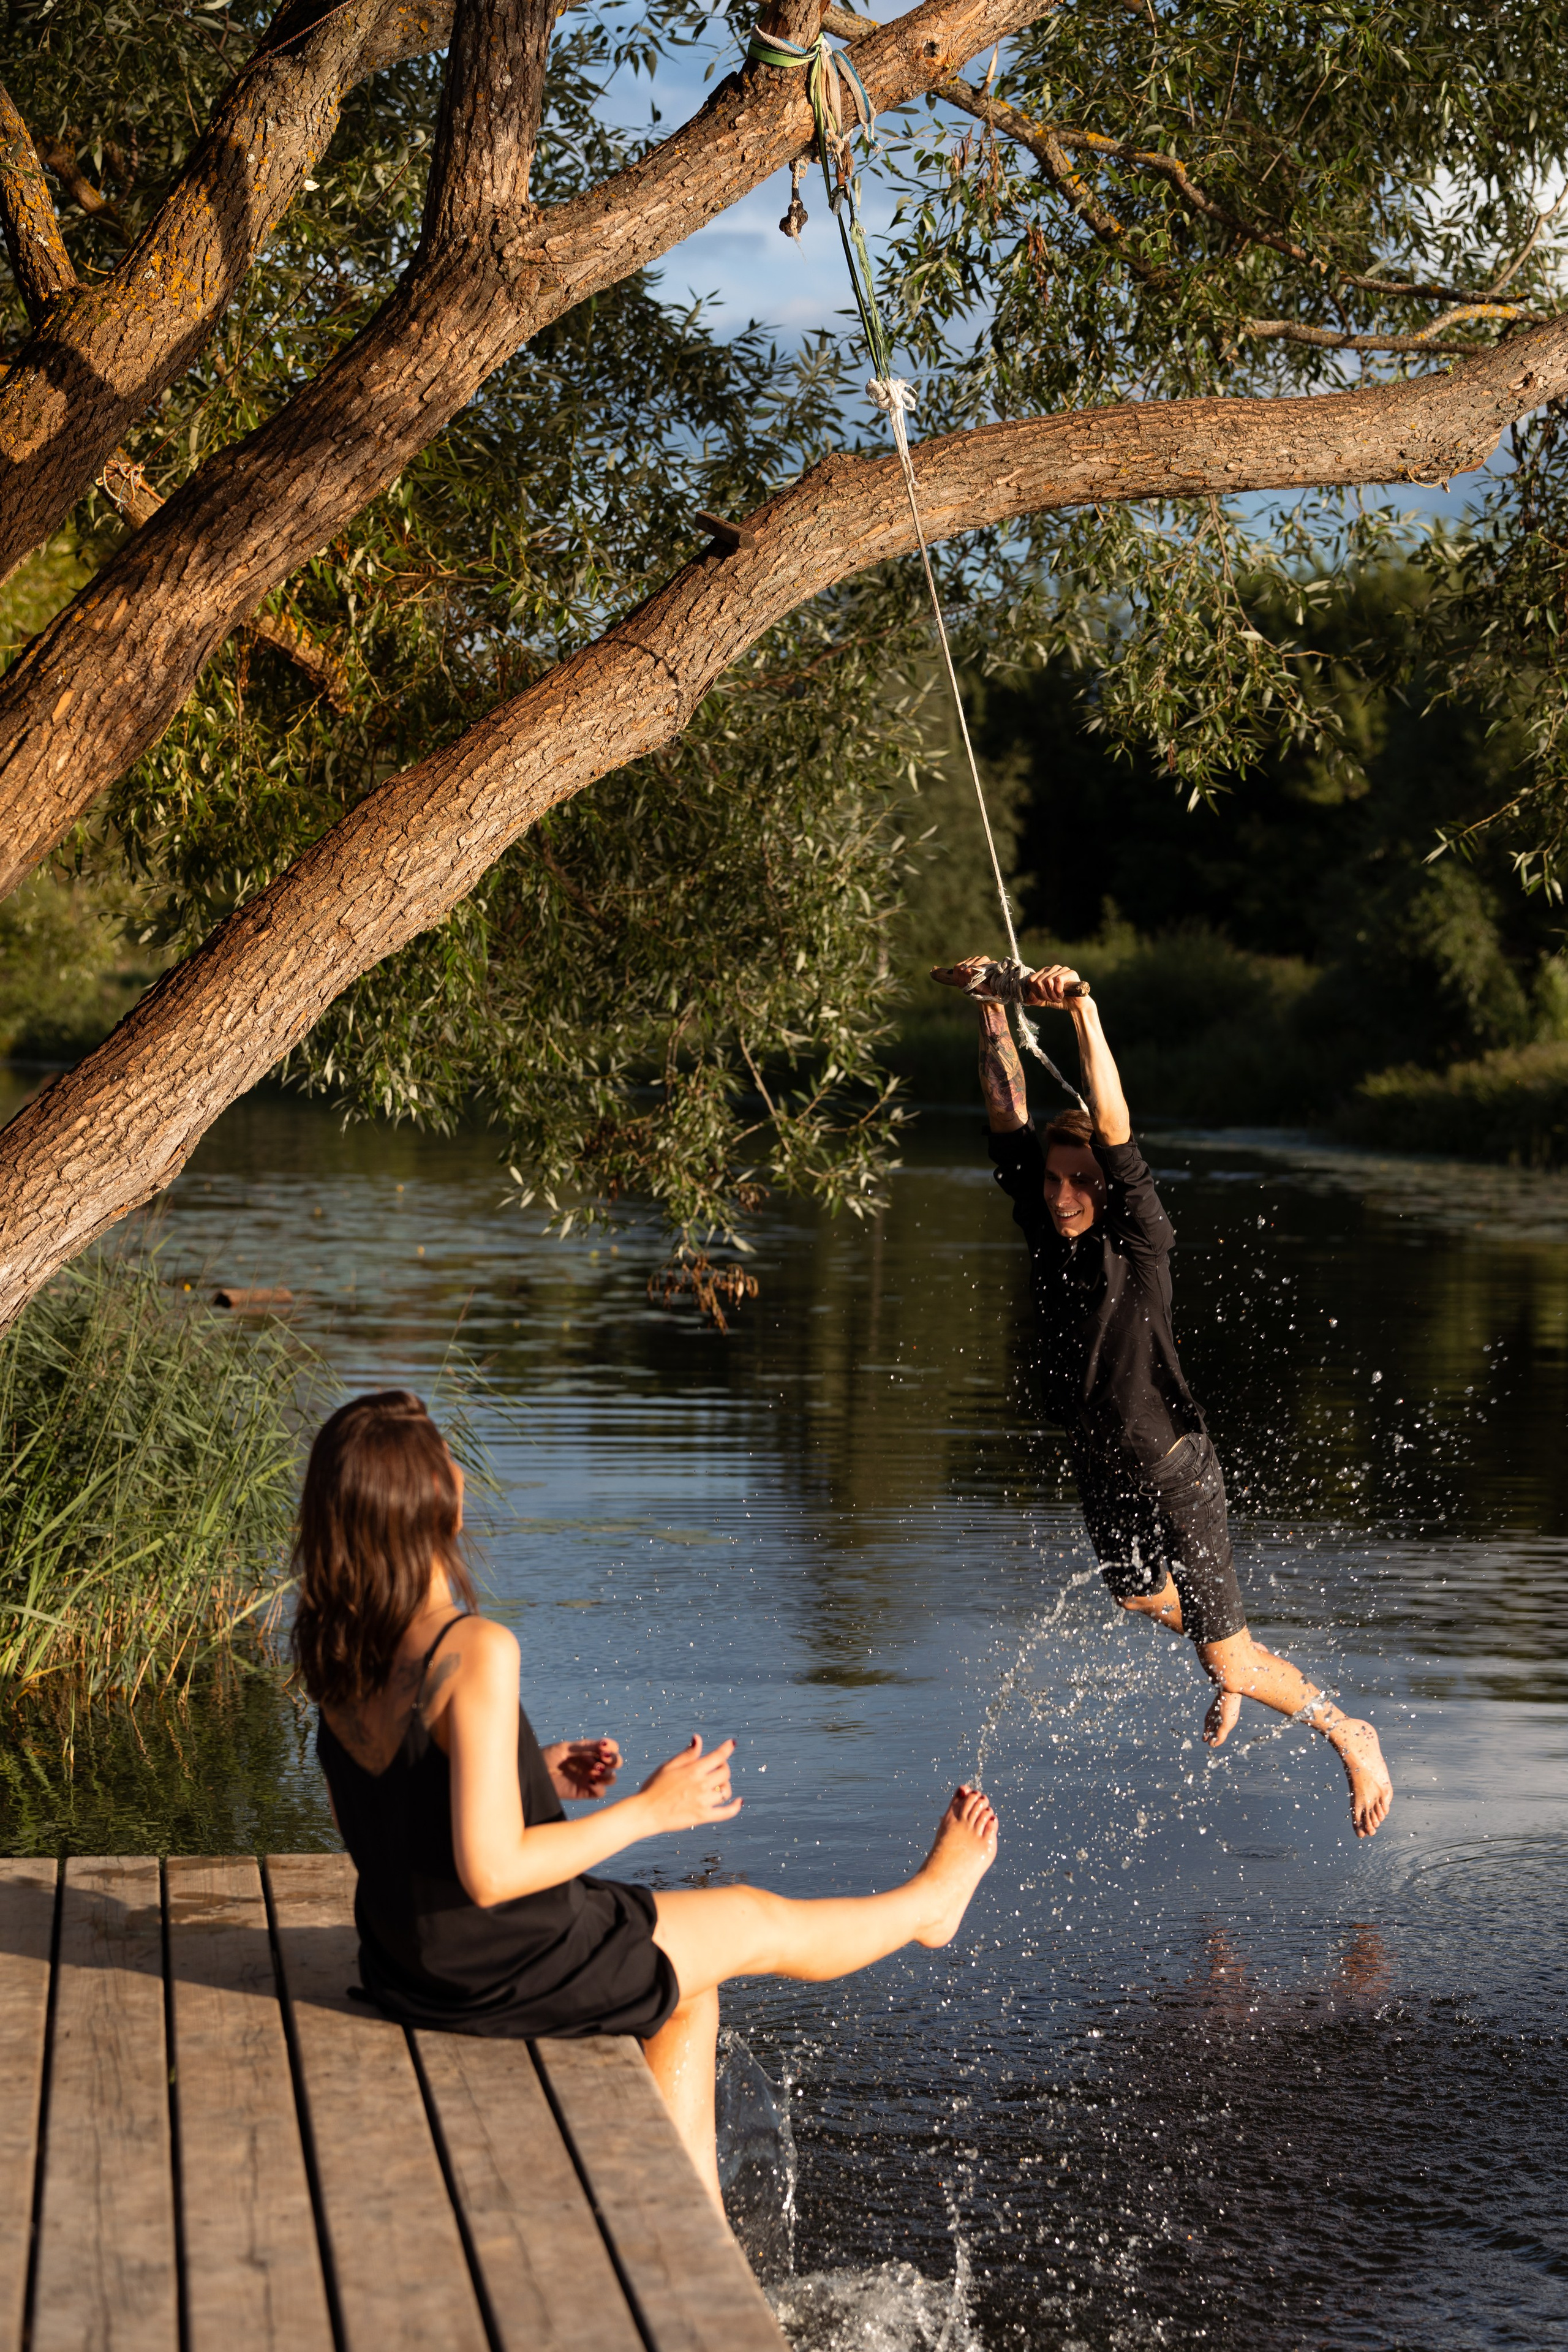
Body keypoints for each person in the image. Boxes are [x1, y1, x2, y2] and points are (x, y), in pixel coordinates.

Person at [293, 1389, 999, 2212]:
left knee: (685, 1994)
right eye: (446, 1461)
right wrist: (652, 1811)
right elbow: (489, 1875)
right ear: (433, 1508)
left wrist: (529, 1773)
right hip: (502, 1964)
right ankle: (928, 1907)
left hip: (406, 1962)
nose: (459, 1472)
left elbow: (368, 1815)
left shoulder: (341, 1648)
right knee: (756, 1919)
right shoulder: (474, 1649)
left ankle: (691, 2217)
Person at [932, 955, 1393, 1839]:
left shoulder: (1139, 1236)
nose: (1066, 1193)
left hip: (1174, 1469)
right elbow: (1005, 1110)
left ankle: (1346, 1730)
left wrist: (1081, 1009)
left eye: (1083, 1180)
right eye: (1055, 1178)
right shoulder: (1043, 1218)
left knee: (1230, 1655)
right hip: (1101, 1464)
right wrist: (992, 1005)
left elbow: (1112, 1122)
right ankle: (1236, 1666)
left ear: (1110, 1188)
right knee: (1139, 1597)